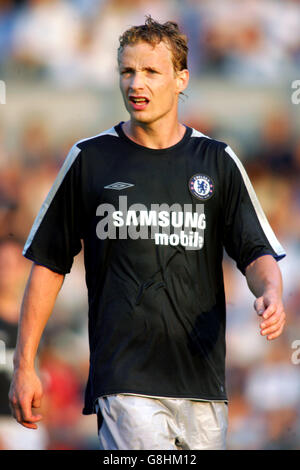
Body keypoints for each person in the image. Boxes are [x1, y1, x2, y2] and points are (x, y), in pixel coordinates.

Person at [9, 17, 286, 450]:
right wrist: (23, 365)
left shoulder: (217, 160)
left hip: (203, 384)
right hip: (125, 381)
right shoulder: (90, 159)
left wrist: (270, 289)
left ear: (181, 79)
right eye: (127, 71)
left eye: (151, 71)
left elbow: (255, 250)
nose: (136, 83)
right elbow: (49, 262)